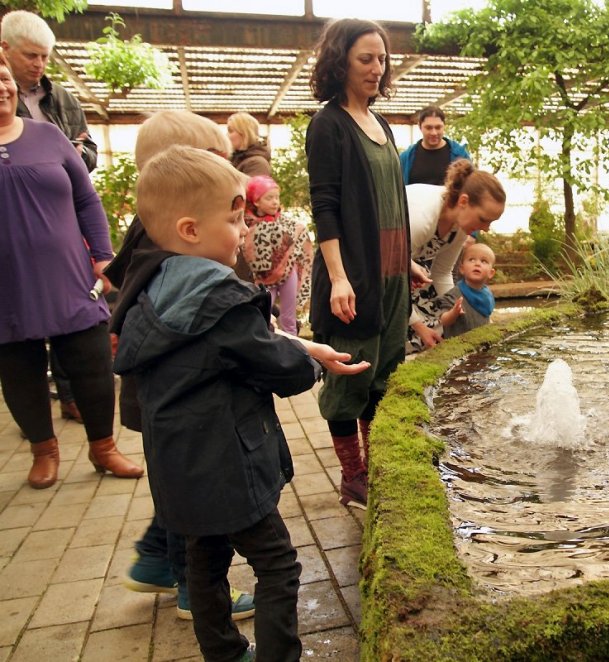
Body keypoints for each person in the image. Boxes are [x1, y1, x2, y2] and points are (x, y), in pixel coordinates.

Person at [113, 145, 369, 662]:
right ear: (190, 230)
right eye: (234, 219)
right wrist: (311, 360)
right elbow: (280, 368)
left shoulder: (152, 291)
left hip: (177, 470)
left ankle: (226, 656)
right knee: (278, 565)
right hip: (228, 465)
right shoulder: (220, 301)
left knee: (203, 563)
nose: (246, 231)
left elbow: (236, 350)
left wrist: (301, 344)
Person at [105, 110, 257, 621]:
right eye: (215, 161)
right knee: (190, 492)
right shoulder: (169, 243)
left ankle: (154, 559)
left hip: (155, 391)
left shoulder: (151, 230)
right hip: (172, 392)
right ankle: (196, 592)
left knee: (175, 484)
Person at [0, 51, 143, 490]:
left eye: (3, 78)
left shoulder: (48, 136)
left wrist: (102, 256)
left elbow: (87, 200)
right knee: (19, 370)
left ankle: (104, 448)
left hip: (68, 274)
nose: (2, 87)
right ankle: (44, 452)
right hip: (7, 284)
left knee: (92, 364)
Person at [306, 18, 414, 510]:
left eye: (382, 58)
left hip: (390, 275)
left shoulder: (382, 123)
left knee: (384, 370)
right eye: (365, 59)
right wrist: (338, 277)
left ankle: (378, 467)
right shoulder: (328, 125)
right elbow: (324, 206)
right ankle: (353, 476)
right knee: (350, 374)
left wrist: (405, 260)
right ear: (340, 62)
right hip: (354, 278)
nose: (377, 68)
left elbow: (390, 201)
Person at [406, 160, 506, 353]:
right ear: (463, 201)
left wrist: (461, 309)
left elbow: (441, 273)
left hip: (401, 276)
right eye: (483, 219)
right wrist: (419, 327)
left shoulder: (459, 227)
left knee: (442, 325)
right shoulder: (423, 218)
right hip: (369, 271)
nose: (486, 228)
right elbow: (391, 275)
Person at [1, 11, 98, 171]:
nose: (39, 64)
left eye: (45, 56)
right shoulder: (3, 98)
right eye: (31, 55)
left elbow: (90, 153)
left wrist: (80, 155)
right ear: (5, 48)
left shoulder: (65, 99)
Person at [243, 175, 313, 335]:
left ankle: (294, 349)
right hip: (264, 277)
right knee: (263, 313)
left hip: (288, 273)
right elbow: (249, 251)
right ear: (255, 201)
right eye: (269, 198)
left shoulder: (286, 223)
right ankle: (265, 345)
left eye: (276, 197)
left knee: (288, 317)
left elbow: (298, 237)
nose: (275, 202)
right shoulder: (248, 225)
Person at [436, 242, 497, 339]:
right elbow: (443, 320)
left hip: (482, 343)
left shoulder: (487, 294)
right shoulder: (454, 295)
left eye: (484, 261)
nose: (477, 264)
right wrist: (454, 313)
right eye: (471, 259)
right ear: (462, 268)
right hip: (459, 348)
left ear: (491, 273)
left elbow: (486, 317)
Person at [399, 105, 471, 185]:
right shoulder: (406, 158)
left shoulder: (460, 156)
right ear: (420, 126)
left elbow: (470, 187)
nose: (434, 133)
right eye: (428, 128)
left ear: (444, 126)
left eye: (438, 127)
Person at [227, 111, 271, 177]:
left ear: (244, 133)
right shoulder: (237, 160)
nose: (227, 135)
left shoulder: (257, 164)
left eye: (230, 131)